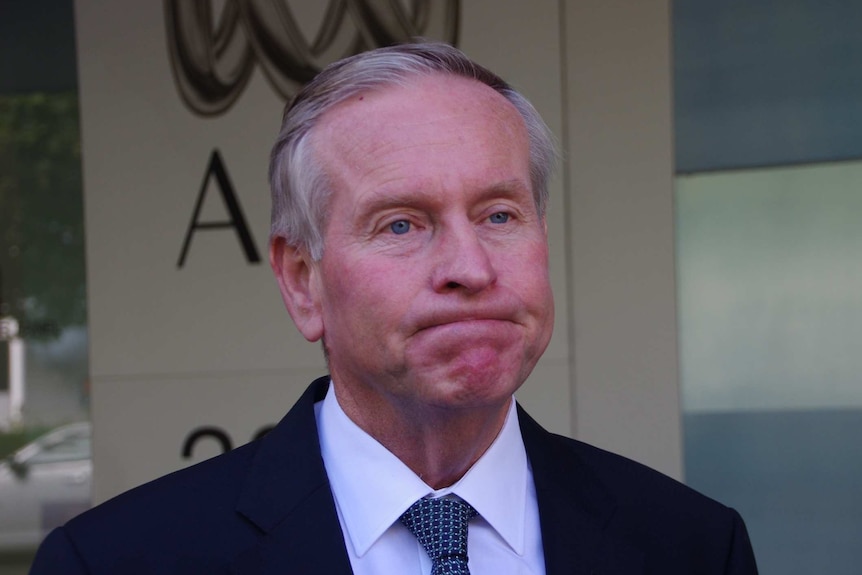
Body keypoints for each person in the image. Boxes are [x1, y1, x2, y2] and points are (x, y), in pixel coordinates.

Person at [30, 42, 758, 574]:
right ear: (301, 280)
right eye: (402, 224)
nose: (470, 268)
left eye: (500, 215)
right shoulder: (114, 561)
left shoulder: (691, 545)